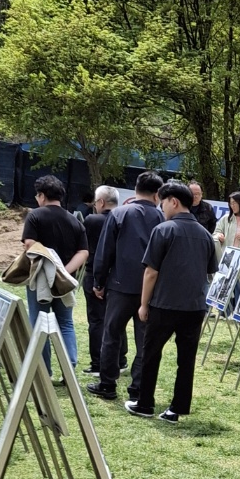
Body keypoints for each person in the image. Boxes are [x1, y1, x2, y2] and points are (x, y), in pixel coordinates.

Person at [125, 181, 217, 423]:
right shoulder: (205, 235)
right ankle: (177, 409)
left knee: (150, 354)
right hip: (195, 307)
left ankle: (144, 403)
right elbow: (209, 271)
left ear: (173, 201)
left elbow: (150, 272)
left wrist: (143, 304)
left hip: (164, 305)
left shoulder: (163, 230)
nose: (161, 207)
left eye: (163, 202)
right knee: (186, 360)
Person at [88, 171, 164, 402]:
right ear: (157, 194)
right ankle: (138, 388)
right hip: (150, 290)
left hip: (120, 286)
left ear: (136, 189)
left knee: (111, 335)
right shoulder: (162, 219)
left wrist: (99, 281)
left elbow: (104, 251)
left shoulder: (119, 213)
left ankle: (107, 384)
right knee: (145, 342)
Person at [21, 174, 88, 374]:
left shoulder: (35, 216)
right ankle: (70, 368)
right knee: (65, 323)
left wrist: (51, 267)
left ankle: (44, 370)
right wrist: (63, 271)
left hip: (40, 279)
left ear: (42, 195)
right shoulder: (75, 221)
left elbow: (29, 244)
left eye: (37, 195)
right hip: (65, 282)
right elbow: (83, 252)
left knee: (39, 323)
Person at [81, 185, 123, 376]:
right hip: (118, 275)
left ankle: (98, 362)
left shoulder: (93, 220)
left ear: (101, 202)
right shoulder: (124, 218)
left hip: (95, 273)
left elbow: (86, 245)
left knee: (97, 320)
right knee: (117, 319)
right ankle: (121, 359)